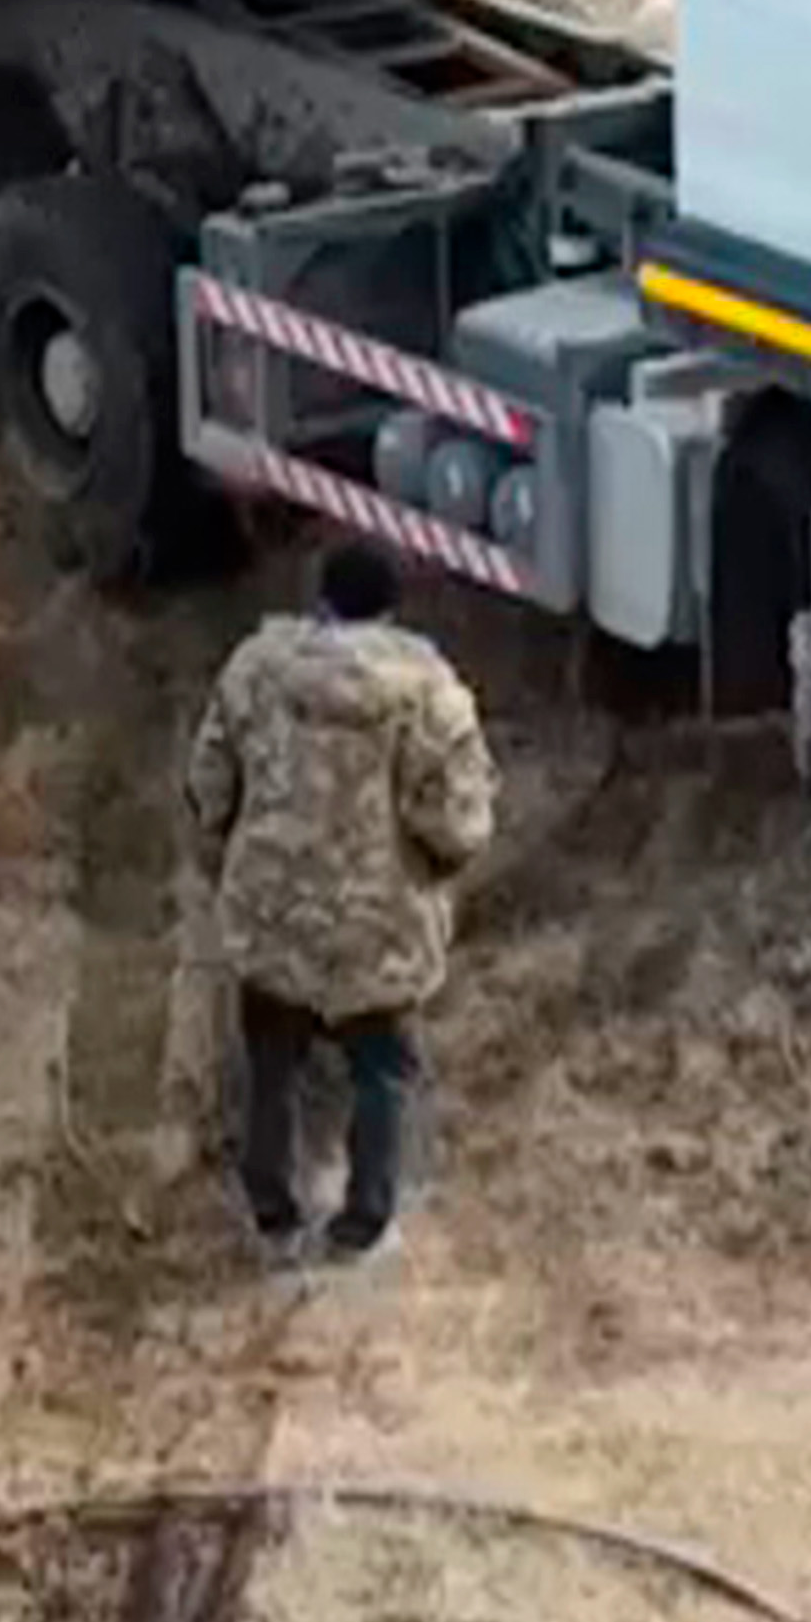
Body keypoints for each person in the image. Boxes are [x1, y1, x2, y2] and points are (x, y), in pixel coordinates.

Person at [184, 541, 496, 1262]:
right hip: (379, 928)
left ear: (319, 598)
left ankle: (272, 1213)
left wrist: (226, 863)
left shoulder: (255, 671)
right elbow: (458, 824)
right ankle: (364, 1221)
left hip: (271, 916)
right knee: (383, 1072)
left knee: (272, 1064)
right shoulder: (429, 693)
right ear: (391, 608)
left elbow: (207, 788)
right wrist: (438, 874)